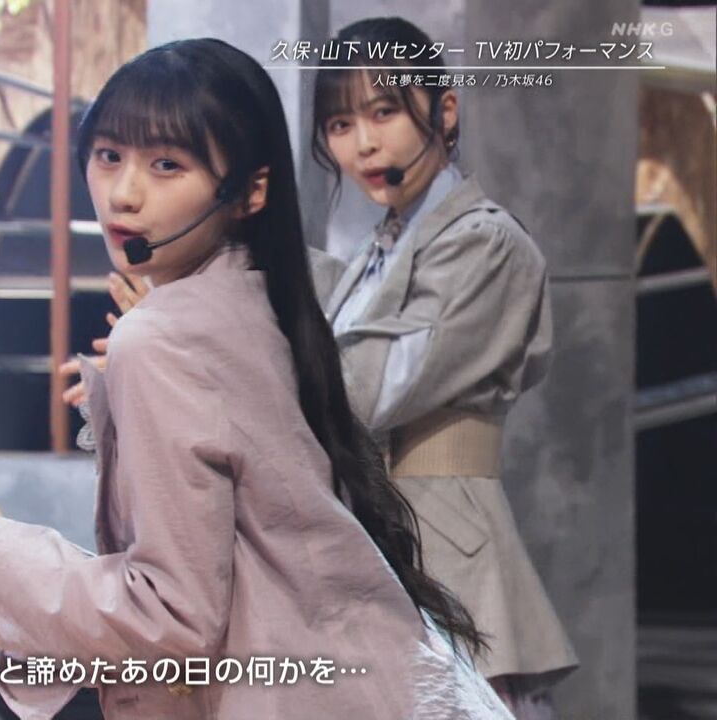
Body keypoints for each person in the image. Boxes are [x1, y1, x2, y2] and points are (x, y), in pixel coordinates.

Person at [0, 38, 513, 719]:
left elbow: (171, 619)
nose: (124, 193)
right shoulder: (260, 299)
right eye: (109, 156)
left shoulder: (159, 337)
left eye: (167, 164)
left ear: (249, 191)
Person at [310, 17, 578, 717]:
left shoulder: (487, 244)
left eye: (385, 112)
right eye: (340, 124)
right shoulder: (375, 252)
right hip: (376, 546)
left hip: (447, 555)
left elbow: (366, 394)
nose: (363, 143)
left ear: (445, 109)